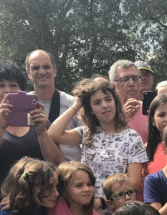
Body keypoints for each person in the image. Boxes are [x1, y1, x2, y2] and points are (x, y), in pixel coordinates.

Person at [48, 77, 147, 206]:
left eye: (108, 99)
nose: (104, 105)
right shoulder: (86, 133)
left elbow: (134, 182)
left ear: (115, 102)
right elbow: (53, 134)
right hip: (86, 206)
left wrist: (101, 202)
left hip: (117, 209)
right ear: (90, 110)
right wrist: (76, 106)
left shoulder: (132, 137)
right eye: (97, 103)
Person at [0, 60, 64, 191]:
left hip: (39, 201)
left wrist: (42, 132)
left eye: (13, 85)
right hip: (0, 204)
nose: (8, 90)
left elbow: (57, 164)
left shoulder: (37, 120)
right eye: (0, 85)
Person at [25, 49, 82, 161]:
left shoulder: (74, 104)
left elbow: (88, 137)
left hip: (68, 172)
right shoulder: (23, 105)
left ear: (54, 71)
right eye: (35, 68)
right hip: (33, 173)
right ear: (28, 73)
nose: (41, 72)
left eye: (46, 67)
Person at [110, 59, 148, 143]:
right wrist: (122, 118)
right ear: (113, 84)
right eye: (125, 79)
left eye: (135, 78)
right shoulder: (105, 111)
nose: (131, 83)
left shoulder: (149, 110)